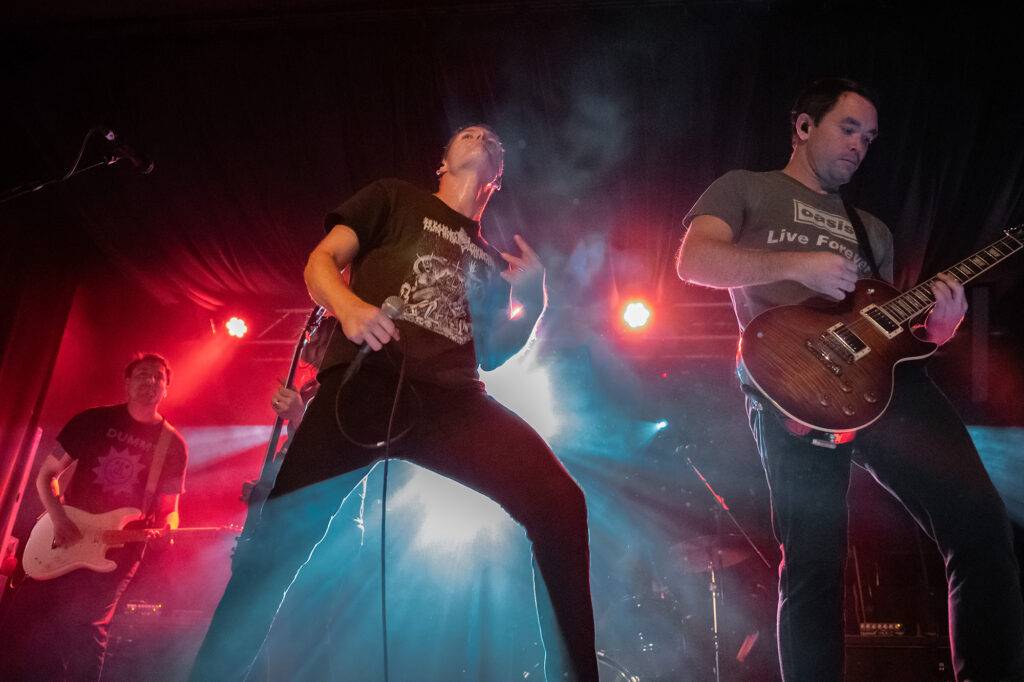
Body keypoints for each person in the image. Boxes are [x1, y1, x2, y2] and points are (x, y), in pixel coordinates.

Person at [189, 124, 598, 681]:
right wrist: (350, 308)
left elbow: (495, 355)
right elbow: (319, 263)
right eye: (467, 132)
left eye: (489, 137)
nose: (479, 133)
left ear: (495, 180)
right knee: (278, 545)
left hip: (453, 401)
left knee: (560, 503)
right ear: (442, 163)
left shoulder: (488, 257)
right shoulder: (393, 198)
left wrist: (534, 300)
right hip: (366, 385)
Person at [676, 77, 1024, 681]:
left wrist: (935, 333)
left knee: (981, 525)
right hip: (790, 382)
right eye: (848, 128)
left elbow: (888, 336)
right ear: (803, 127)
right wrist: (799, 265)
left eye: (870, 138)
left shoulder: (874, 231)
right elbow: (694, 261)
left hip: (886, 389)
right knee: (814, 564)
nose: (860, 145)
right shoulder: (744, 189)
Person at [0, 352, 188, 681]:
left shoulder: (172, 445)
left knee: (87, 627)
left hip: (118, 551)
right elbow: (46, 476)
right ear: (127, 384)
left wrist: (168, 530)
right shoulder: (93, 421)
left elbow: (169, 511)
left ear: (167, 389)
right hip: (64, 534)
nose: (151, 382)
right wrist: (59, 519)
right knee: (26, 616)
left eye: (159, 377)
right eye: (143, 375)